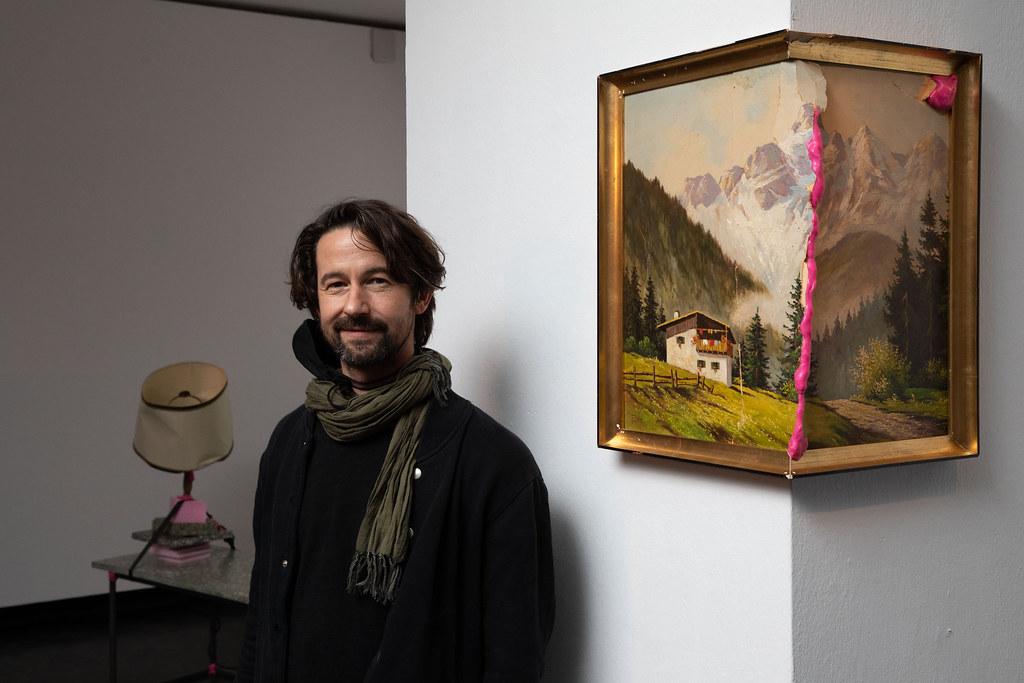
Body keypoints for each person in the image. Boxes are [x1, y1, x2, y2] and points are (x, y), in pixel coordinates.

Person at [238, 199, 555, 682]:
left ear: (421, 294)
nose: (354, 305)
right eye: (335, 284)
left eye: (378, 281)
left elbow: (514, 661)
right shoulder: (288, 442)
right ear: (316, 301)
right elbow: (262, 617)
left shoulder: (493, 464)